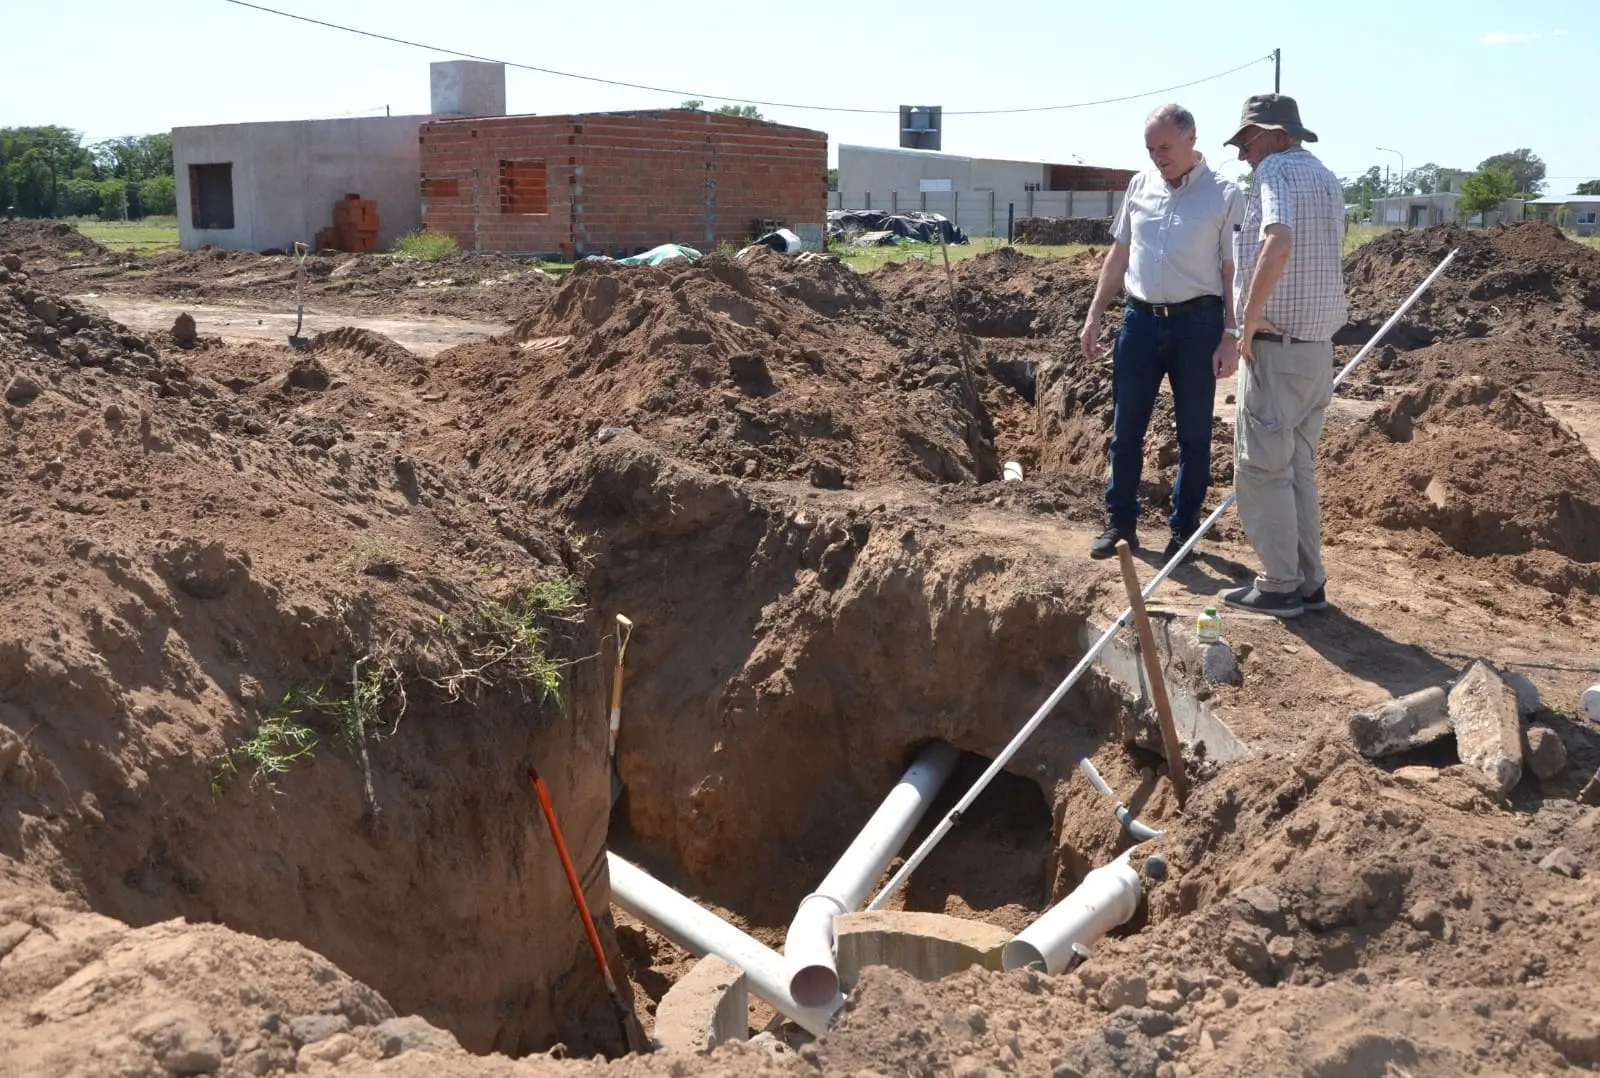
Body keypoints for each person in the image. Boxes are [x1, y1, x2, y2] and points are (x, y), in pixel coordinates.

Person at [1080, 103, 1244, 563]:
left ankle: (1183, 532)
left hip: (1198, 325)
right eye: (1151, 149)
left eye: (1165, 147)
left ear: (1192, 138)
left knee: (1194, 434)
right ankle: (1120, 524)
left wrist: (1230, 333)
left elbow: (1232, 270)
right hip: (1139, 322)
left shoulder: (1225, 194)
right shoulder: (1140, 185)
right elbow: (1120, 254)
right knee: (1125, 428)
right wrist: (1095, 313)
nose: (1157, 157)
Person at [1220, 94, 1347, 618]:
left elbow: (1279, 242)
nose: (1246, 154)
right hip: (1317, 350)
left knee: (1261, 469)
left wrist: (1248, 317)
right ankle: (1308, 582)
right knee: (1297, 469)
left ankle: (1278, 585)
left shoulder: (1274, 174)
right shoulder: (1327, 178)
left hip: (1279, 349)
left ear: (1274, 135)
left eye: (1248, 141)